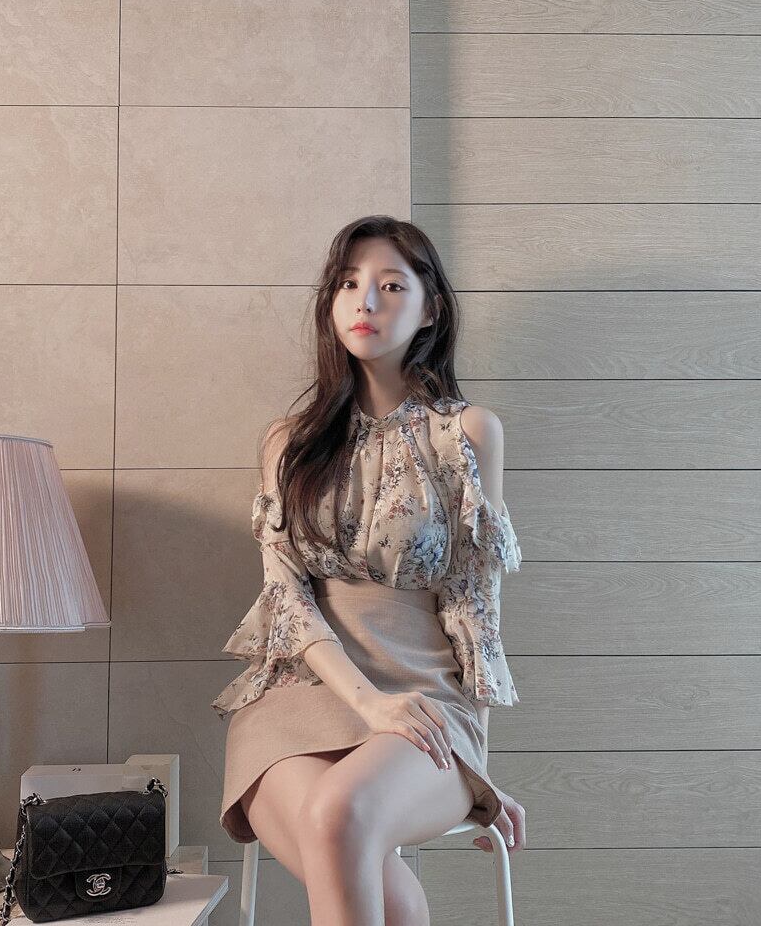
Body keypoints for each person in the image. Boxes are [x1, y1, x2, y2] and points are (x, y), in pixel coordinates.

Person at [211, 214, 527, 925]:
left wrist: (477, 766)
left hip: (425, 697)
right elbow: (285, 594)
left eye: (391, 285)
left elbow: (475, 606)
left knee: (340, 816)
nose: (366, 301)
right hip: (296, 695)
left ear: (430, 308)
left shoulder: (468, 434)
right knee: (377, 877)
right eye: (349, 284)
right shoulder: (289, 442)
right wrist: (367, 703)